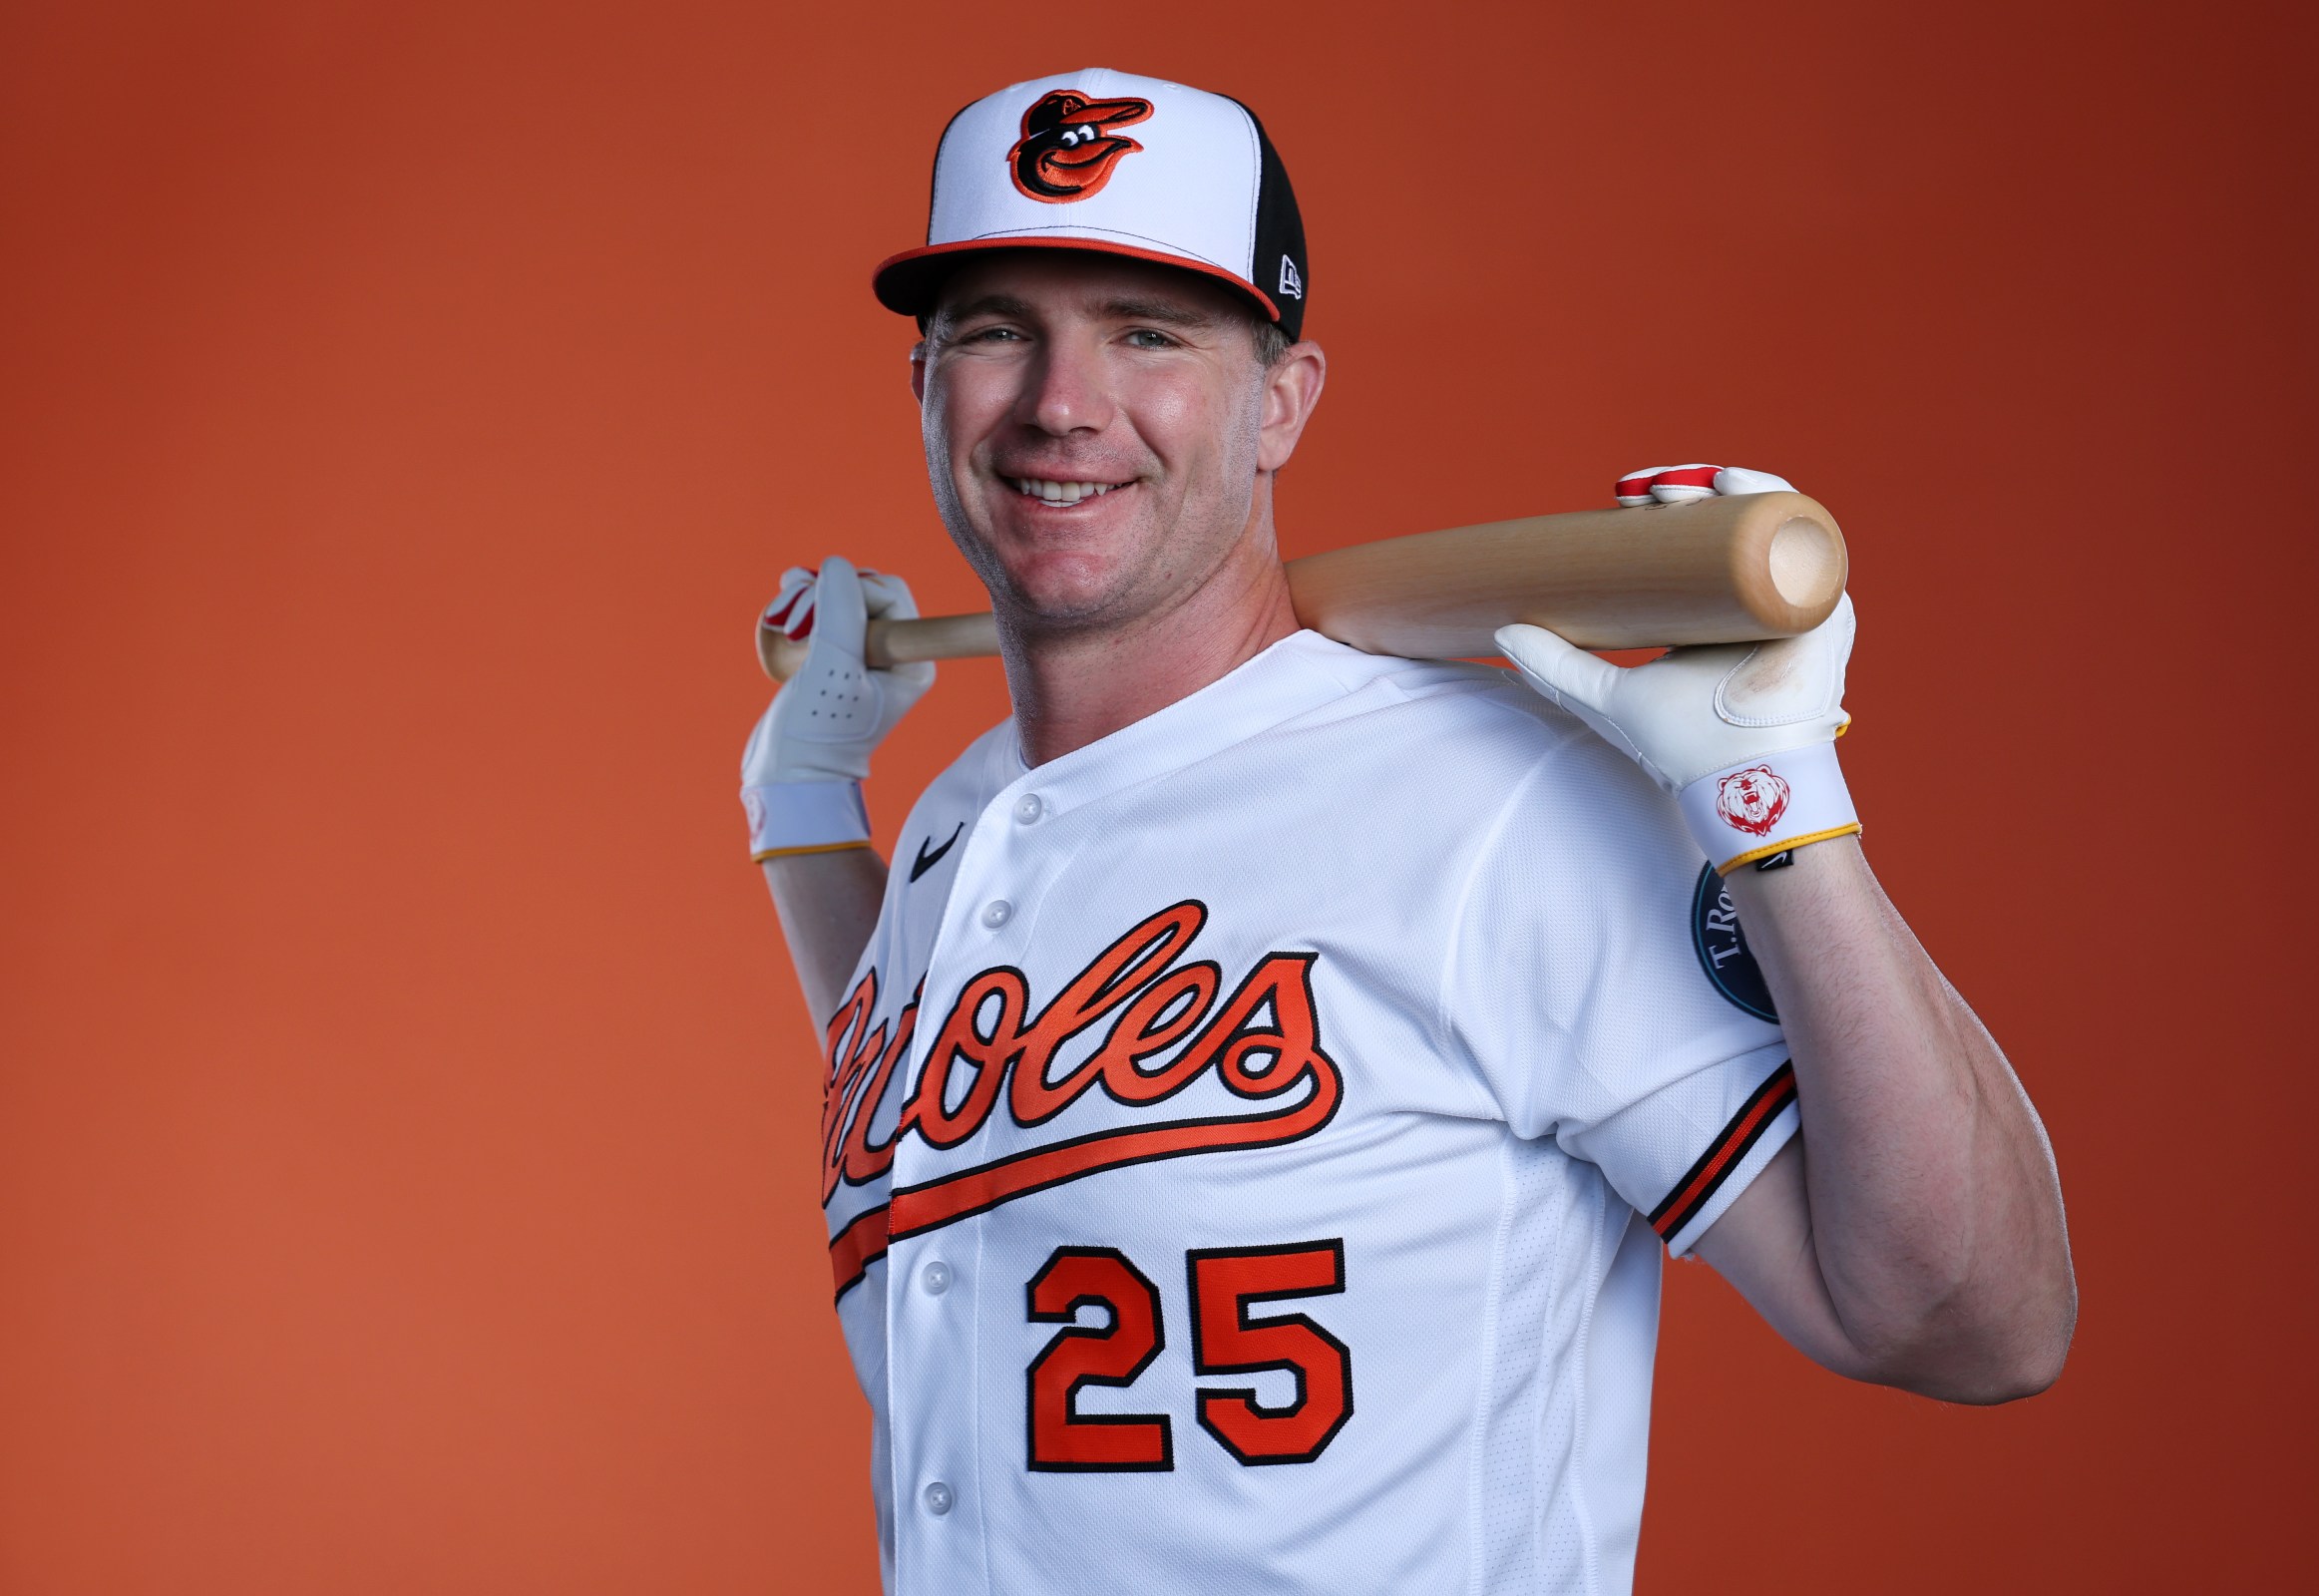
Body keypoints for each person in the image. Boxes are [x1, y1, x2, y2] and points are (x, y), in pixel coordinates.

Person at [738, 68, 2073, 1596]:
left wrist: (1777, 802)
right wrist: (803, 801)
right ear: (925, 385)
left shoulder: (1499, 806)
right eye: (995, 330)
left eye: (1148, 332)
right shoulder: (966, 818)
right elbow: (961, 1137)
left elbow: (1975, 1325)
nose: (1060, 401)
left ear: (1282, 402)